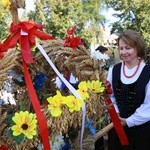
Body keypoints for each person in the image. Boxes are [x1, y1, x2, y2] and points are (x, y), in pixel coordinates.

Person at [107, 29, 150, 150]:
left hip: (141, 132)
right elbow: (110, 96)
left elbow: (149, 105)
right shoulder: (113, 70)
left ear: (137, 48)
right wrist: (115, 114)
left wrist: (129, 121)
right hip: (117, 129)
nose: (124, 52)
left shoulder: (148, 72)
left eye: (128, 48)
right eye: (121, 48)